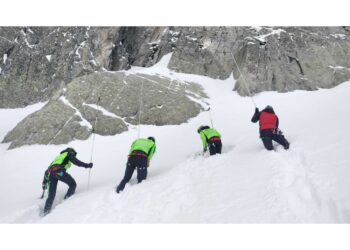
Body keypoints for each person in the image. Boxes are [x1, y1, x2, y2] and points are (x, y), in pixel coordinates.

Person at [41, 147, 93, 215]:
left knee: (51, 195)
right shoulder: (70, 153)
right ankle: (66, 202)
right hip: (59, 171)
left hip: (51, 174)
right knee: (73, 184)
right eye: (75, 154)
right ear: (73, 152)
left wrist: (44, 183)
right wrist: (87, 165)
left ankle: (45, 212)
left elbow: (47, 172)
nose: (74, 156)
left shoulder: (58, 157)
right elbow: (76, 162)